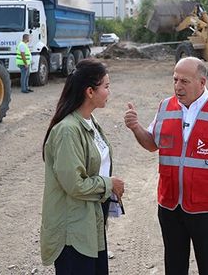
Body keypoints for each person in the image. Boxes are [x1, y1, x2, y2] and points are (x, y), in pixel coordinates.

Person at [124, 56, 208, 275]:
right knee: (174, 265)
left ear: (202, 82)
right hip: (170, 206)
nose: (177, 87)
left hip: (207, 208)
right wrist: (136, 128)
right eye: (175, 80)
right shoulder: (165, 107)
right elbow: (152, 144)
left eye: (184, 81)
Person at [40, 59, 124, 275]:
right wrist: (109, 183)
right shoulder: (68, 130)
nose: (109, 91)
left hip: (91, 220)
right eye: (106, 86)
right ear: (89, 91)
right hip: (74, 228)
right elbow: (74, 184)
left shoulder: (89, 121)